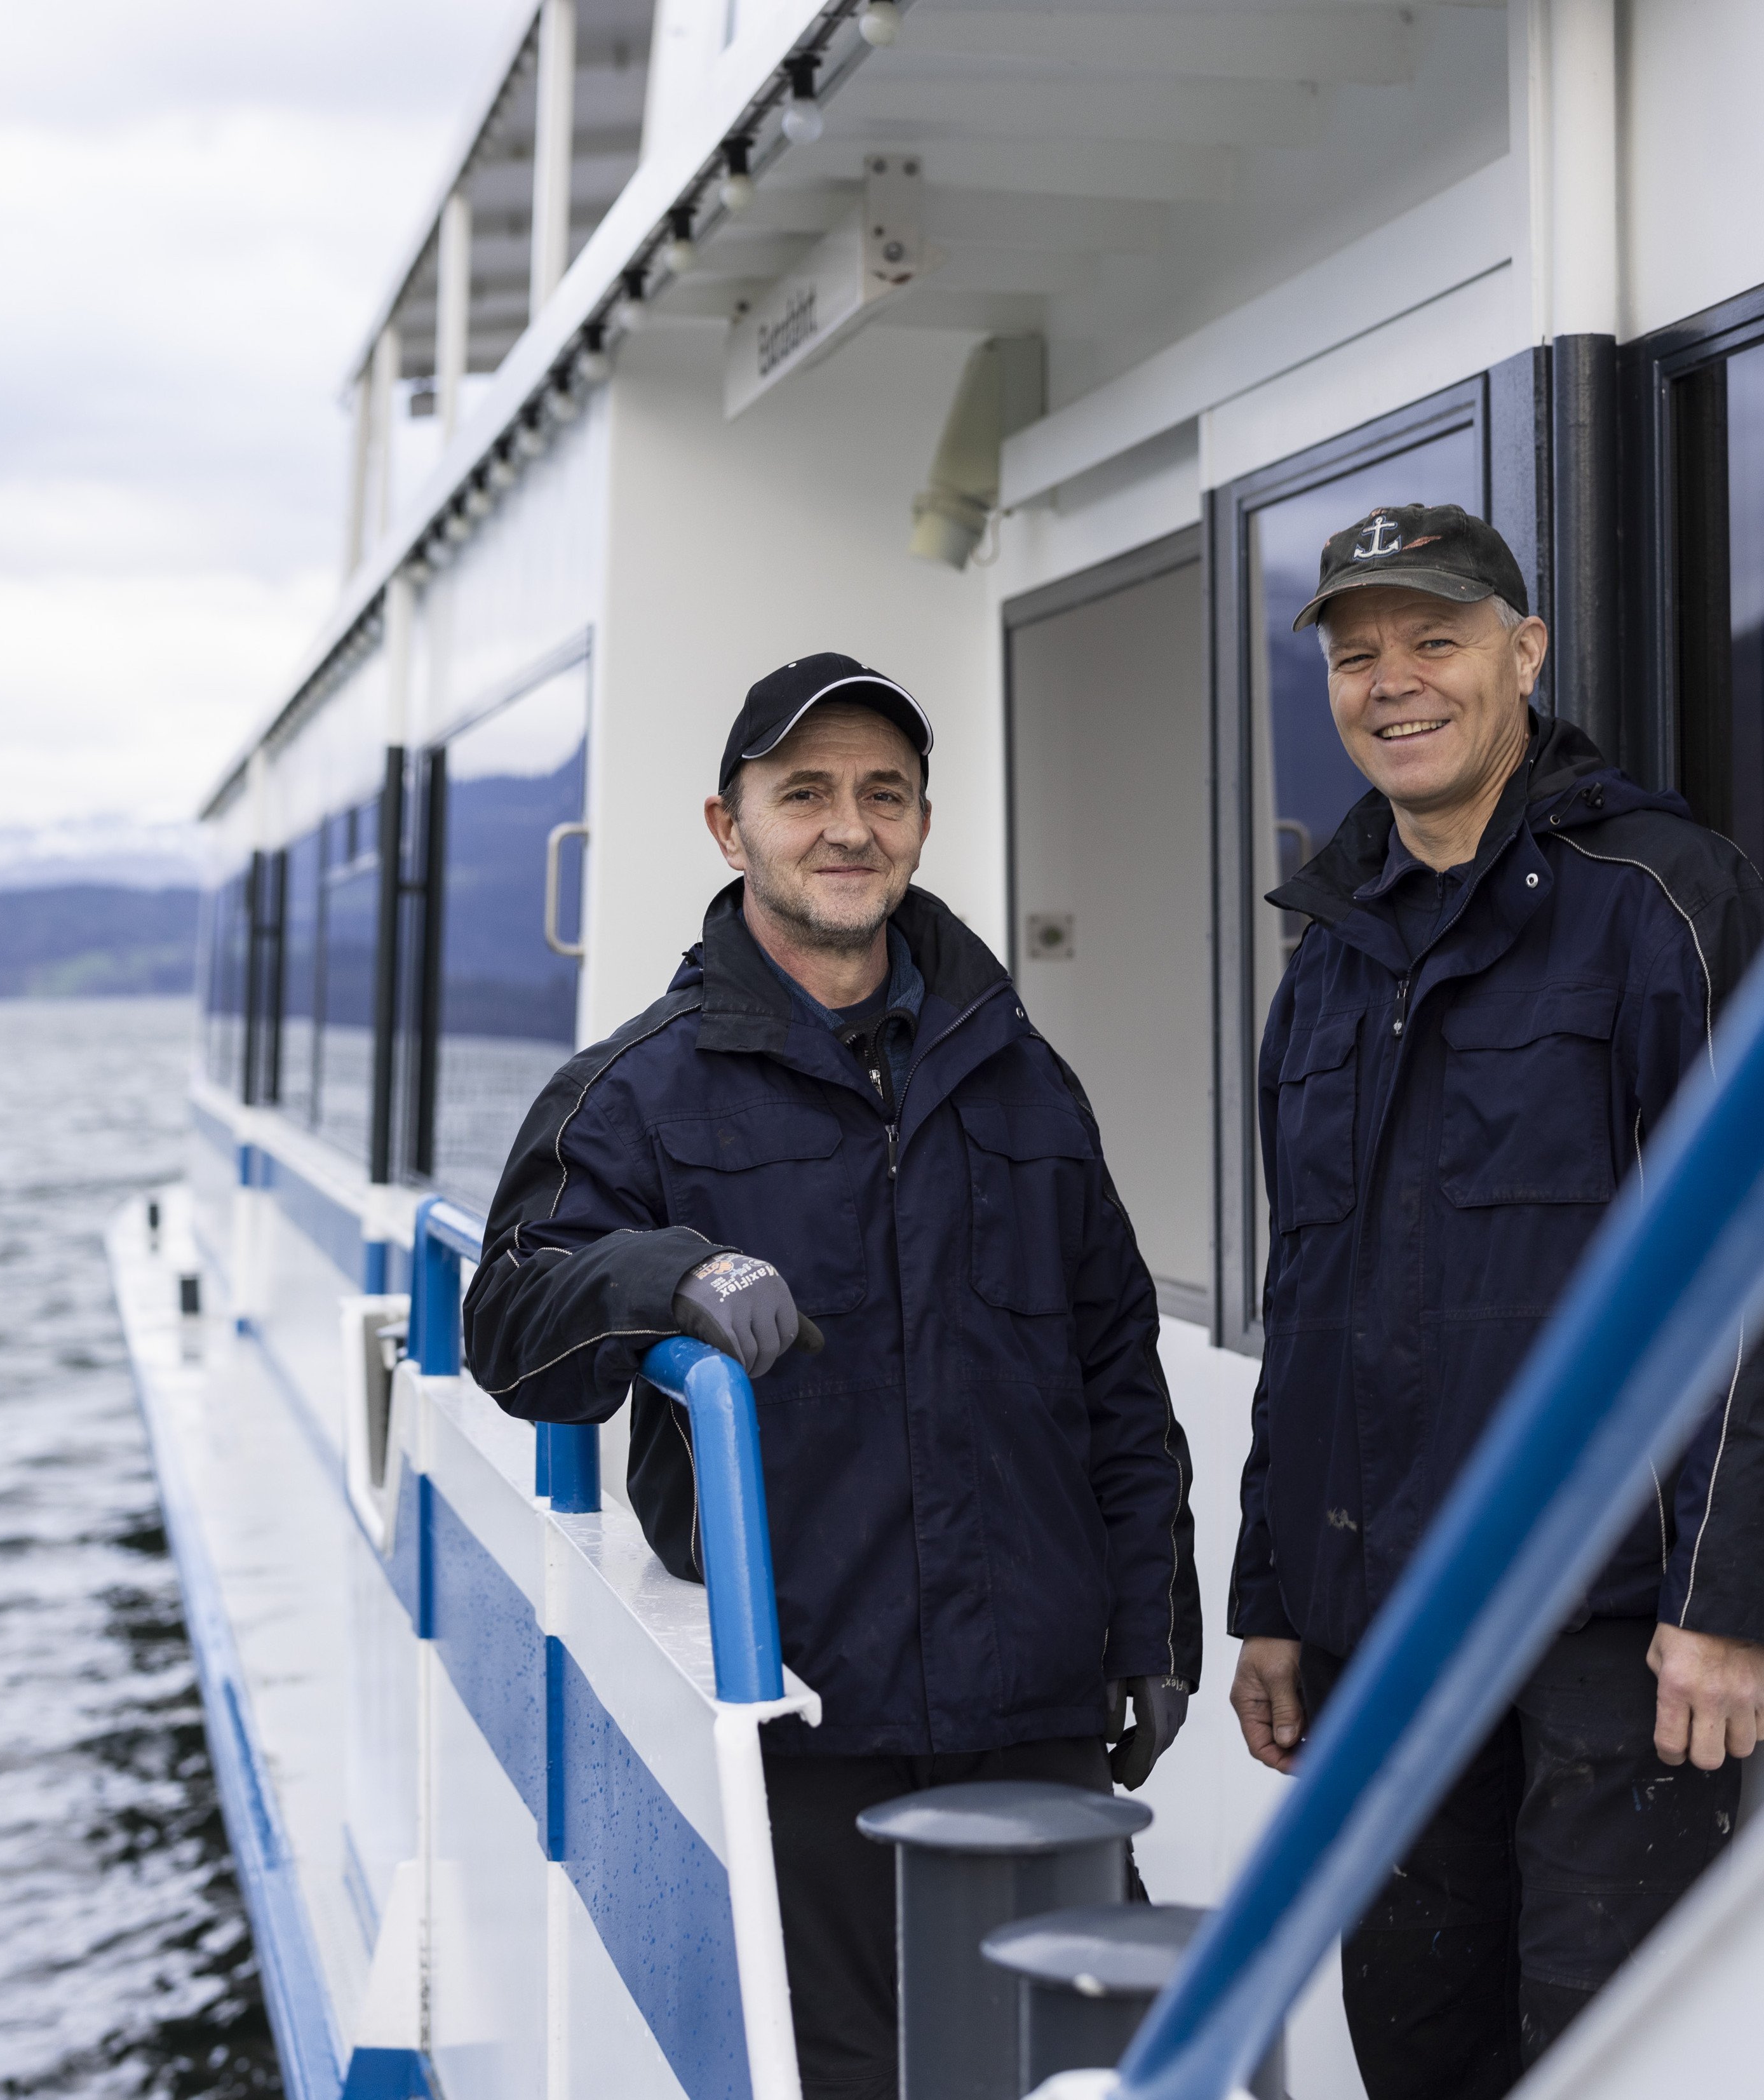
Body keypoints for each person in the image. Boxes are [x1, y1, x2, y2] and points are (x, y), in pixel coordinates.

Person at [465, 652, 1202, 2100]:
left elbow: (1116, 1373)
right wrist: (665, 1275)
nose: (845, 827)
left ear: (922, 823)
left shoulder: (1020, 1078)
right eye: (801, 794)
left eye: (881, 794)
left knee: (1076, 2075)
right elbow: (510, 1326)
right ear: (726, 827)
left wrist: (1151, 1624)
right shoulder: (634, 1090)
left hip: (1031, 1717)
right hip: (801, 1727)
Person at [1227, 506, 1764, 2096]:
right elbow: (1303, 1298)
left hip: (1611, 1636)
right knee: (1415, 2052)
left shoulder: (1660, 900)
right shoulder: (1326, 959)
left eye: (1433, 641)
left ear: (1521, 652)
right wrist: (1269, 1592)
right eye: (1355, 654)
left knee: (1601, 2059)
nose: (1392, 684)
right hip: (1379, 1634)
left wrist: (1724, 1606)